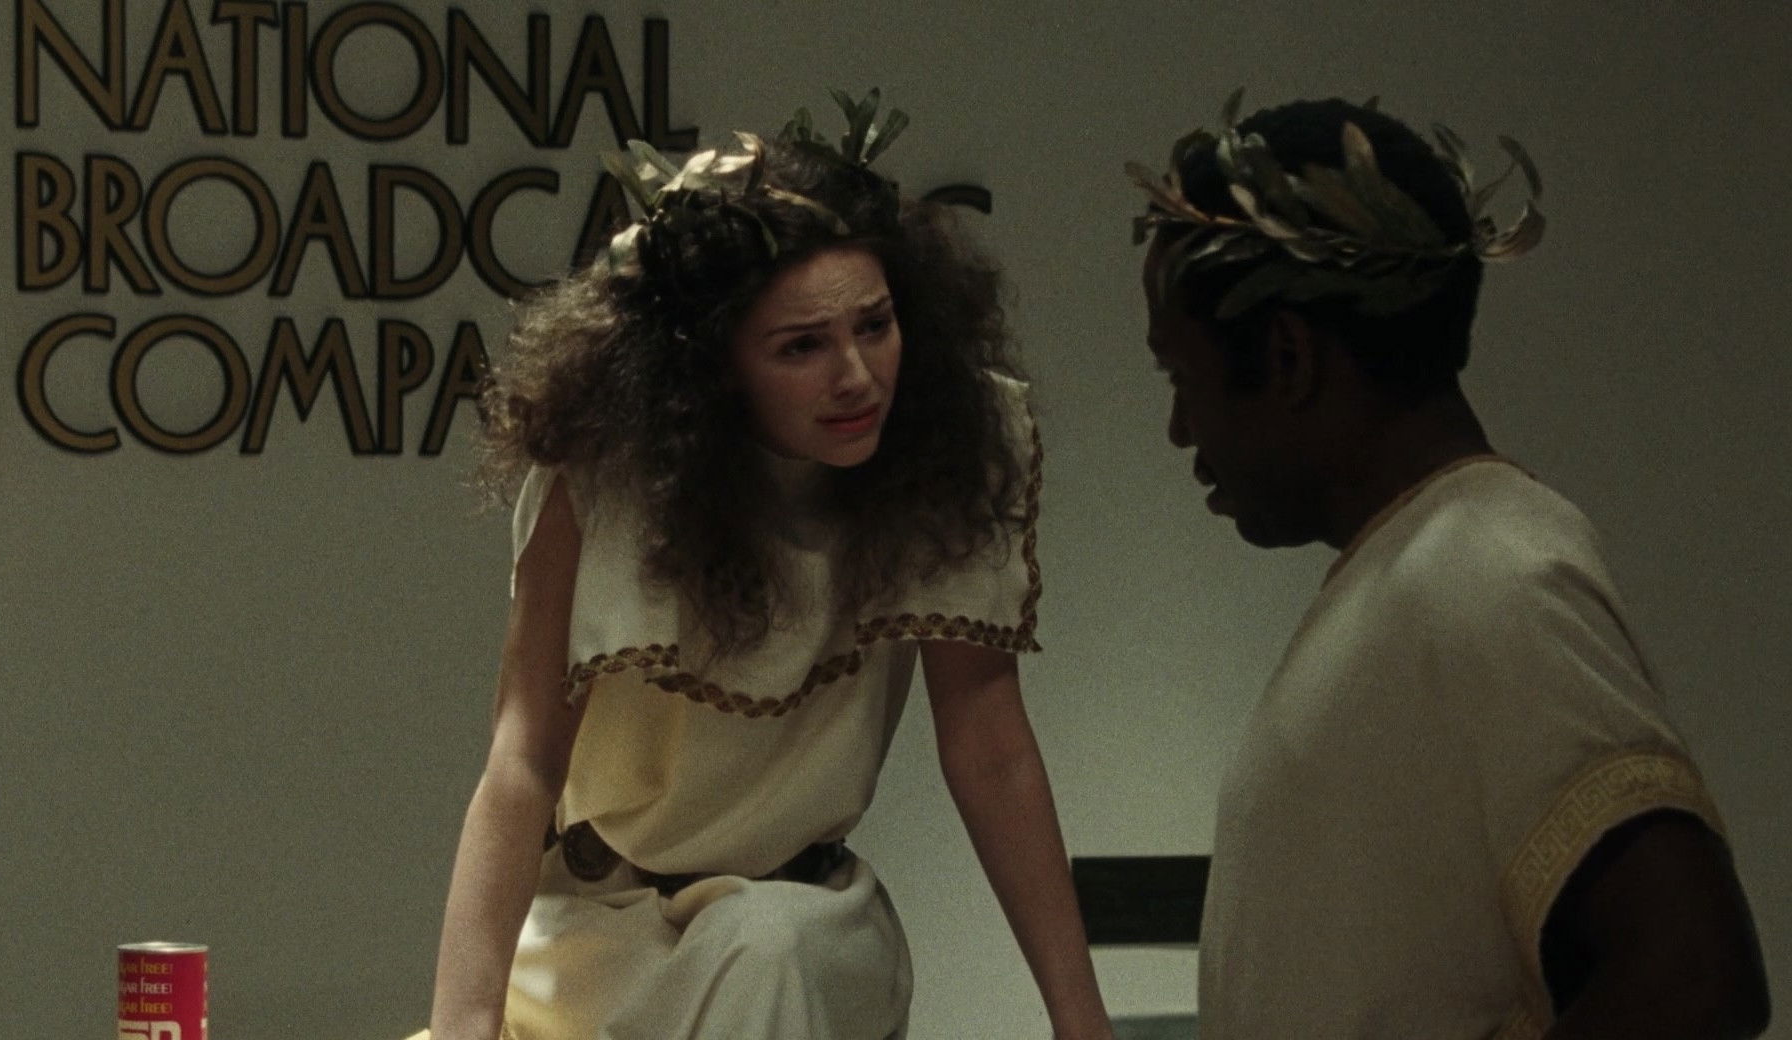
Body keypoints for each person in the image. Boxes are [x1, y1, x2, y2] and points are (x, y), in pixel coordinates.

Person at [410, 91, 1113, 1040]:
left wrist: (1080, 1021)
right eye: (801, 346)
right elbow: (524, 760)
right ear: (712, 368)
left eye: (875, 324)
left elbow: (990, 747)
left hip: (806, 929)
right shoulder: (604, 483)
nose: (856, 375)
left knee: (765, 943)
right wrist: (463, 1025)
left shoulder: (944, 451)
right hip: (593, 941)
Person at [1128, 92, 1770, 1039]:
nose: (1180, 428)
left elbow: (1690, 977)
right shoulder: (1423, 566)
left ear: (1289, 356)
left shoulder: (1488, 570)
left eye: (1182, 378)